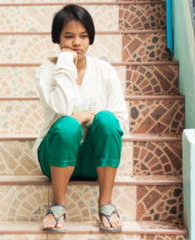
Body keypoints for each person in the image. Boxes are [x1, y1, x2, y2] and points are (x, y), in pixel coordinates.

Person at [32, 4, 129, 233]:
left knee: (106, 119)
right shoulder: (45, 72)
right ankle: (57, 206)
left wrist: (87, 116)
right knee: (67, 126)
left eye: (83, 36)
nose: (77, 43)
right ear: (57, 38)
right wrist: (66, 63)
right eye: (69, 36)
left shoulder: (104, 70)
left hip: (94, 161)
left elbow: (119, 123)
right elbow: (64, 108)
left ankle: (105, 204)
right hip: (54, 158)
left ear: (90, 38)